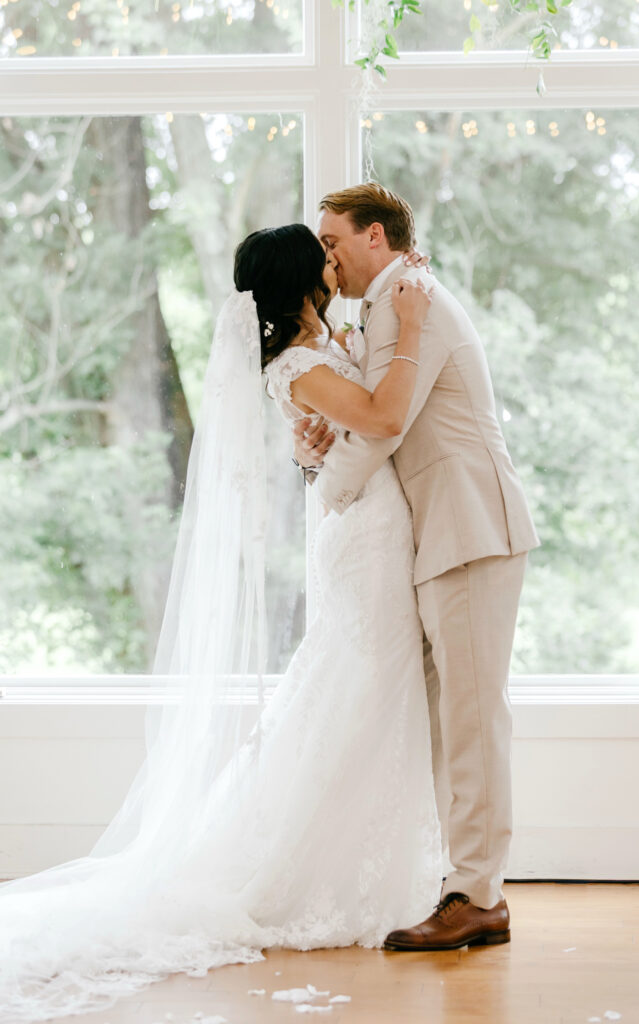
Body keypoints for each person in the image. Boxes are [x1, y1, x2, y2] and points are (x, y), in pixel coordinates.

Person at [0, 223, 444, 1022]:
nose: (335, 261)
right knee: (363, 682)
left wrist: (320, 440)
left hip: (370, 519)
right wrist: (408, 329)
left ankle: (362, 857)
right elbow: (379, 417)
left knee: (356, 685)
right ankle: (305, 871)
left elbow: (345, 425)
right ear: (304, 275)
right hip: (362, 535)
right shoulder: (297, 364)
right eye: (326, 255)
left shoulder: (319, 345)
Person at [293, 182, 540, 951]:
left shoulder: (410, 297)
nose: (325, 257)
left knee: (470, 720)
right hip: (438, 534)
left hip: (469, 525)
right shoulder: (383, 308)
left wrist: (325, 489)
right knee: (448, 721)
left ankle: (477, 895)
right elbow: (366, 408)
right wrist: (319, 442)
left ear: (376, 237)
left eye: (333, 240)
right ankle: (462, 882)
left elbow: (383, 427)